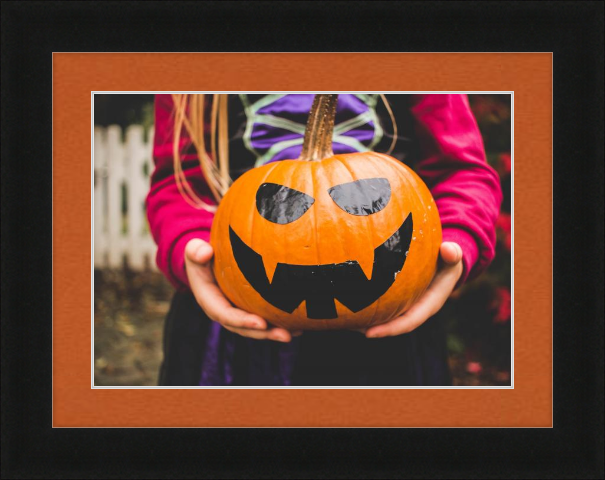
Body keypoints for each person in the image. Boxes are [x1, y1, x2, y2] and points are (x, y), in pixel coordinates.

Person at [146, 93, 502, 386]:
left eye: (363, 199)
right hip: (232, 322)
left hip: (392, 322)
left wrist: (457, 240)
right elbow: (178, 182)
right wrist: (189, 247)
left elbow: (462, 170)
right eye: (280, 205)